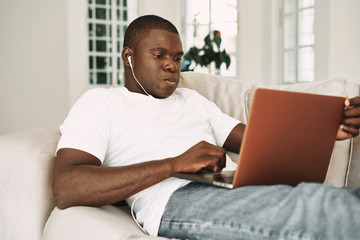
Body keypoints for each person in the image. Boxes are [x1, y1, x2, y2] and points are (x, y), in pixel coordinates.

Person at [53, 15, 360, 239]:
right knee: (322, 207)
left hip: (235, 186)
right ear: (128, 57)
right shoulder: (101, 103)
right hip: (175, 199)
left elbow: (257, 140)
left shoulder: (192, 99)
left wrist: (325, 130)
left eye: (176, 57)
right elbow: (67, 186)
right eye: (158, 55)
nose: (172, 65)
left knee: (335, 199)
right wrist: (175, 164)